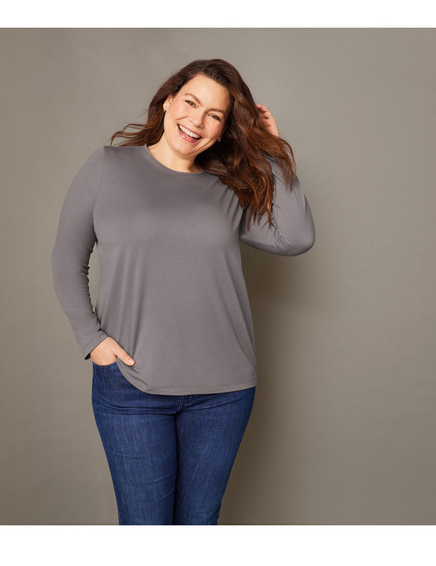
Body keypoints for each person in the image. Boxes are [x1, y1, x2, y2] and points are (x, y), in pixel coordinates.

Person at [51, 59, 315, 525]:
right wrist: (92, 341)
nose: (197, 120)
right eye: (191, 102)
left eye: (214, 115)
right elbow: (66, 259)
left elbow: (295, 238)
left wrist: (271, 151)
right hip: (132, 385)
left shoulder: (227, 187)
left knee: (199, 525)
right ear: (169, 100)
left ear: (223, 129)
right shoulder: (108, 167)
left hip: (224, 391)